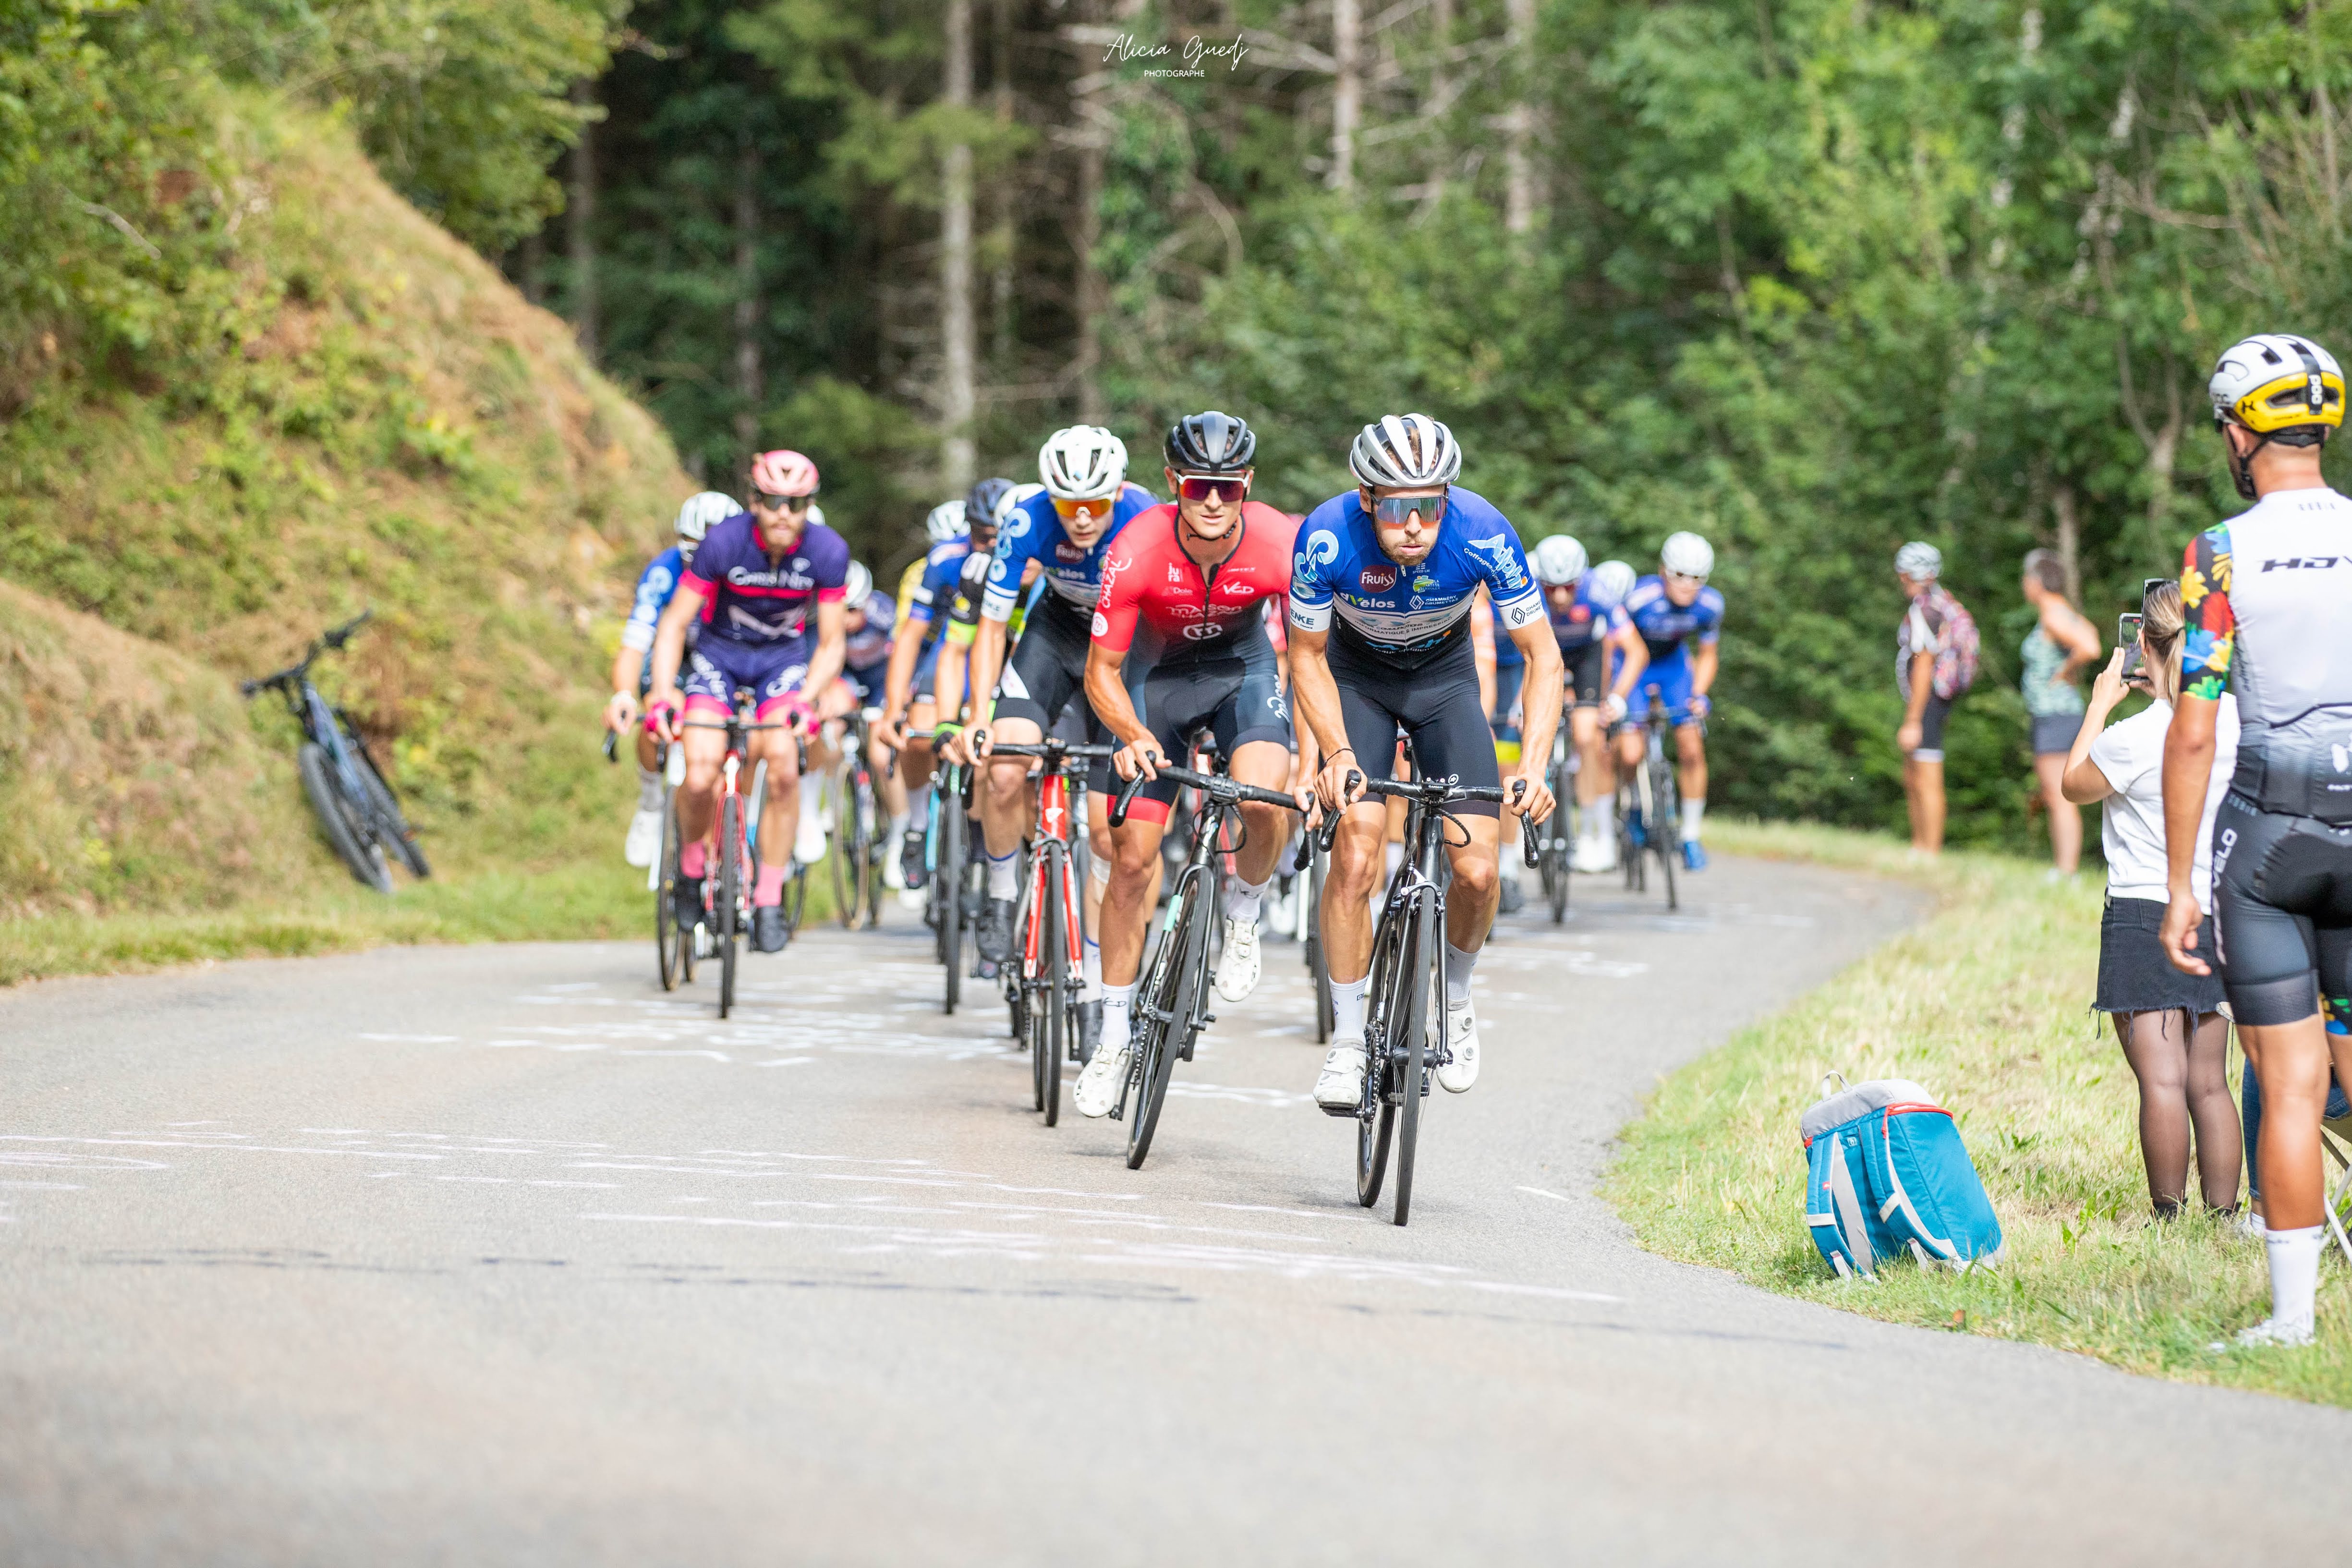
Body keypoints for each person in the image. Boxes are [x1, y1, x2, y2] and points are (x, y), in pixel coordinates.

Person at [2160, 331, 2352, 1349]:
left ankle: (2290, 1321)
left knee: (2289, 1085)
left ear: (2239, 433)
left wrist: (2183, 883)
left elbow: (2194, 721)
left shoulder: (2220, 553)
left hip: (2271, 839)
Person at [1287, 413, 1562, 1111]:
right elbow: (1306, 658)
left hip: (1445, 685)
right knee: (1354, 852)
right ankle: (1348, 1042)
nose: (1414, 523)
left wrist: (1532, 765)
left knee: (1475, 868)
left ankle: (1459, 996)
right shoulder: (1326, 537)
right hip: (1356, 682)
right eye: (1397, 506)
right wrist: (1337, 753)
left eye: (1430, 505)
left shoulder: (1483, 532)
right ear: (1364, 497)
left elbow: (1542, 656)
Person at [1070, 412, 1304, 1117]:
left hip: (1243, 670)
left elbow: (1319, 652)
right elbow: (1100, 672)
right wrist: (1131, 733)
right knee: (1131, 860)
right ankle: (1112, 1039)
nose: (1211, 500)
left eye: (1227, 488)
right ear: (1174, 483)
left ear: (1246, 487)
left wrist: (1327, 750)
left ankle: (1243, 909)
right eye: (1198, 485)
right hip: (1155, 681)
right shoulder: (1133, 548)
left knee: (1265, 801)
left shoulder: (1279, 541)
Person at [2061, 581, 2241, 1219]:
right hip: (2217, 913)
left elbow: (2071, 785)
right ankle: (2222, 1216)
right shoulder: (2232, 725)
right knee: (2209, 1081)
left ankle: (2167, 1218)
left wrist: (2098, 705)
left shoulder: (2134, 737)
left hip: (2143, 914)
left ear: (2144, 644)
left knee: (2160, 1080)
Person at [955, 427, 1156, 973]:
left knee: (1106, 833)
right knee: (1002, 767)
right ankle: (1000, 894)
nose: (1082, 517)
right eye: (1068, 504)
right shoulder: (1026, 519)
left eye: (1094, 503)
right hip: (1057, 632)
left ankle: (1096, 969)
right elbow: (991, 626)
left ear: (1116, 493)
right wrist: (978, 716)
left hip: (1124, 646)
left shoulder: (1148, 521)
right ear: (1050, 497)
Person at [645, 450, 849, 955]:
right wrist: (663, 692)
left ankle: (768, 897)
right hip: (720, 660)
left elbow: (831, 642)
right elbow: (673, 624)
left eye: (797, 503)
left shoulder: (827, 551)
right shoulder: (725, 541)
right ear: (754, 501)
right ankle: (692, 870)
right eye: (775, 501)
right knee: (699, 774)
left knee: (783, 766)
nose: (785, 513)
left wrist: (808, 698)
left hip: (782, 666)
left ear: (809, 507)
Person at [882, 486, 1009, 888]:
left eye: (997, 535)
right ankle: (917, 826)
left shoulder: (1030, 559)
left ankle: (980, 839)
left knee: (997, 748)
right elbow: (909, 637)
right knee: (918, 735)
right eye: (980, 534)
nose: (989, 544)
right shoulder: (944, 559)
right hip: (954, 648)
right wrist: (891, 708)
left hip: (1004, 650)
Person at [607, 491, 740, 866]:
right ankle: (651, 801)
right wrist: (623, 694)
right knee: (657, 717)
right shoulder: (665, 571)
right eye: (694, 553)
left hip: (725, 657)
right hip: (676, 657)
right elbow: (635, 643)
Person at [1611, 533, 1724, 870]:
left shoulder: (1711, 605)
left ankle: (1690, 835)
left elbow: (1708, 655)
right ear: (1663, 571)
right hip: (1633, 664)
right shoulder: (1638, 597)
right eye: (1679, 575)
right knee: (1631, 752)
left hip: (1673, 667)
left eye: (1697, 579)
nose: (1688, 585)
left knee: (1691, 746)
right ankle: (1630, 805)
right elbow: (1612, 641)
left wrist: (1699, 693)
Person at [1529, 540, 1637, 873]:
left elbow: (1636, 651)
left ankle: (1596, 832)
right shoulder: (1528, 589)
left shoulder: (1598, 590)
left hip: (1586, 654)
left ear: (1582, 579)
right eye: (1552, 588)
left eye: (1569, 587)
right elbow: (1527, 656)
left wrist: (1617, 696)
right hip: (1546, 652)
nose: (1560, 596)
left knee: (1588, 737)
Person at [1892, 542, 1978, 855]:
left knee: (1926, 776)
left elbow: (1924, 664)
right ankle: (1921, 846)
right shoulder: (1943, 604)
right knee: (1913, 772)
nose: (1900, 580)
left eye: (1903, 574)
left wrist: (1913, 720)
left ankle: (1929, 850)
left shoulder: (1923, 611)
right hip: (1933, 701)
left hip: (1927, 703)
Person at [2021, 548, 2101, 875]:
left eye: (2026, 578)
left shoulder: (2053, 616)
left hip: (2055, 714)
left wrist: (2065, 669)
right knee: (2056, 792)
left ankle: (2066, 870)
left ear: (2037, 582)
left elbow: (2091, 648)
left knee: (2057, 794)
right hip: (2060, 714)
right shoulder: (2063, 611)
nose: (2024, 585)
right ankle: (2063, 867)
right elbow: (2092, 633)